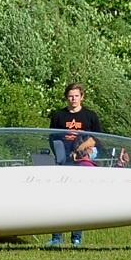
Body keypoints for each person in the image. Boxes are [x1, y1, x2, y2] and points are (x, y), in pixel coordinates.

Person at [48, 83, 102, 247]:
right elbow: (52, 138)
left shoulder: (90, 116)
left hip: (82, 164)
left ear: (82, 97)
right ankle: (56, 237)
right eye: (71, 96)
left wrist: (86, 152)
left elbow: (98, 140)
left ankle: (76, 237)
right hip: (63, 161)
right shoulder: (58, 116)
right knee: (59, 200)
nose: (73, 99)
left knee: (78, 200)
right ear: (66, 97)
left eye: (76, 96)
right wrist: (60, 155)